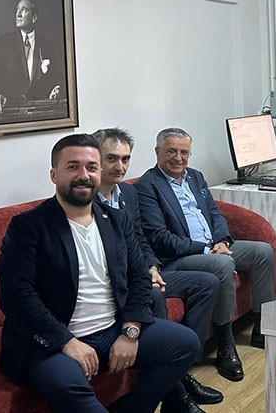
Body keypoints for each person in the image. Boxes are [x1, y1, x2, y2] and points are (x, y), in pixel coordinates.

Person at [0, 134, 199, 413]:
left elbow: (139, 277)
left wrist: (130, 331)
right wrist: (66, 341)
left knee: (186, 344)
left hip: (112, 329)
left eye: (91, 167)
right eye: (73, 167)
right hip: (54, 342)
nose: (84, 175)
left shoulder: (115, 220)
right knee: (67, 387)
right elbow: (17, 296)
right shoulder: (28, 227)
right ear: (54, 174)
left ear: (99, 172)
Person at [93, 127, 223, 411]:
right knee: (153, 296)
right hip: (116, 286)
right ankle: (177, 392)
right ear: (95, 159)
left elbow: (139, 239)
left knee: (206, 283)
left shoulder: (127, 193)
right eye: (111, 158)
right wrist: (142, 278)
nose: (120, 166)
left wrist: (151, 267)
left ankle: (182, 370)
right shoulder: (85, 200)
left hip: (142, 274)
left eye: (125, 159)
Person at [135, 127, 276, 383]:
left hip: (213, 247)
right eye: (171, 151)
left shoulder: (195, 177)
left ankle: (261, 328)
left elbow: (214, 213)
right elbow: (159, 237)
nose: (179, 158)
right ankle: (226, 344)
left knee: (263, 252)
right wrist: (205, 249)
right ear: (157, 152)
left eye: (184, 152)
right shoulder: (147, 186)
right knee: (222, 265)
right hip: (178, 258)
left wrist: (222, 241)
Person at [0, 0, 64, 114]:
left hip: (39, 111)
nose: (18, 14)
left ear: (34, 18)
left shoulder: (46, 45)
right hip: (10, 110)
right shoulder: (4, 42)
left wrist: (55, 90)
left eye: (24, 10)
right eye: (17, 9)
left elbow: (54, 78)